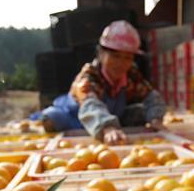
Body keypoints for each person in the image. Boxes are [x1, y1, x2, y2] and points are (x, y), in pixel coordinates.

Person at [37, 21, 167, 144]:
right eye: (115, 56)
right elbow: (90, 104)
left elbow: (151, 96)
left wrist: (156, 118)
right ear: (101, 53)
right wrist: (107, 127)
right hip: (76, 117)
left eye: (127, 58)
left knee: (141, 112)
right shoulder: (89, 76)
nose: (121, 63)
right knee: (52, 117)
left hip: (111, 115)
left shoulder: (131, 75)